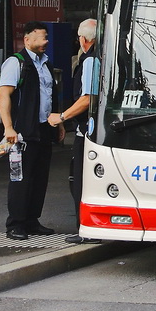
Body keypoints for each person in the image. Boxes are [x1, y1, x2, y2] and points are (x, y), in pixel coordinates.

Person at [0, 21, 64, 240]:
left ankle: (31, 220)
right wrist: (9, 127)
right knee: (21, 177)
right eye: (41, 37)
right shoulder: (16, 63)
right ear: (27, 40)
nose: (46, 41)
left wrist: (59, 123)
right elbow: (4, 95)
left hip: (43, 129)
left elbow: (50, 96)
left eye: (46, 37)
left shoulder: (45, 64)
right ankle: (15, 224)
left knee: (39, 177)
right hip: (22, 132)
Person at [48, 18, 99, 244]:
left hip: (86, 132)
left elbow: (87, 99)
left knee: (80, 180)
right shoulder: (106, 57)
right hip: (95, 130)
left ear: (83, 39)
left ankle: (85, 229)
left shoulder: (90, 61)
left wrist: (61, 117)